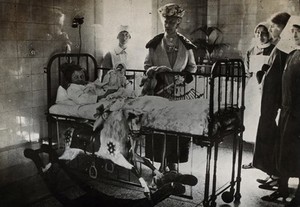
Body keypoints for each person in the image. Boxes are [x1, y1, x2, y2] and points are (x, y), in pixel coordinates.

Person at [143, 3, 197, 172]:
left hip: (178, 92)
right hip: (158, 90)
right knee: (158, 125)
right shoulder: (154, 44)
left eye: (172, 22)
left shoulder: (186, 45)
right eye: (166, 21)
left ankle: (173, 163)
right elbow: (146, 65)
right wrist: (154, 71)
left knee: (176, 127)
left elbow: (192, 67)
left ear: (178, 23)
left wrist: (186, 75)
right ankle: (160, 162)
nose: (168, 25)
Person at [261, 18, 300, 206]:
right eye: (293, 31)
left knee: (296, 154)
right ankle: (282, 189)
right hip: (287, 112)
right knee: (284, 153)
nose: (294, 34)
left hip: (298, 114)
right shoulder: (292, 54)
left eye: (298, 31)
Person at [252, 12, 290, 191]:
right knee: (267, 133)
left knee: (272, 135)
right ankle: (271, 172)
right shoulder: (280, 46)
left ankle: (275, 174)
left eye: (274, 27)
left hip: (275, 100)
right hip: (269, 99)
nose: (271, 30)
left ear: (283, 28)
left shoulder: (286, 47)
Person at [242, 22, 275, 169]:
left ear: (269, 34)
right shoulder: (251, 51)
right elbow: (248, 72)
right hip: (253, 90)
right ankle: (255, 160)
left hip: (267, 89)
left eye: (263, 33)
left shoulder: (274, 50)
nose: (260, 36)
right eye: (257, 33)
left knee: (265, 125)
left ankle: (266, 161)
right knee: (253, 124)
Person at [60, 62, 127, 105]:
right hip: (98, 99)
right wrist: (103, 96)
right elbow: (81, 100)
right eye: (76, 77)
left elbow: (99, 87)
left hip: (102, 95)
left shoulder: (86, 84)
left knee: (121, 91)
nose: (80, 79)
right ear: (69, 79)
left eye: (82, 76)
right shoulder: (72, 88)